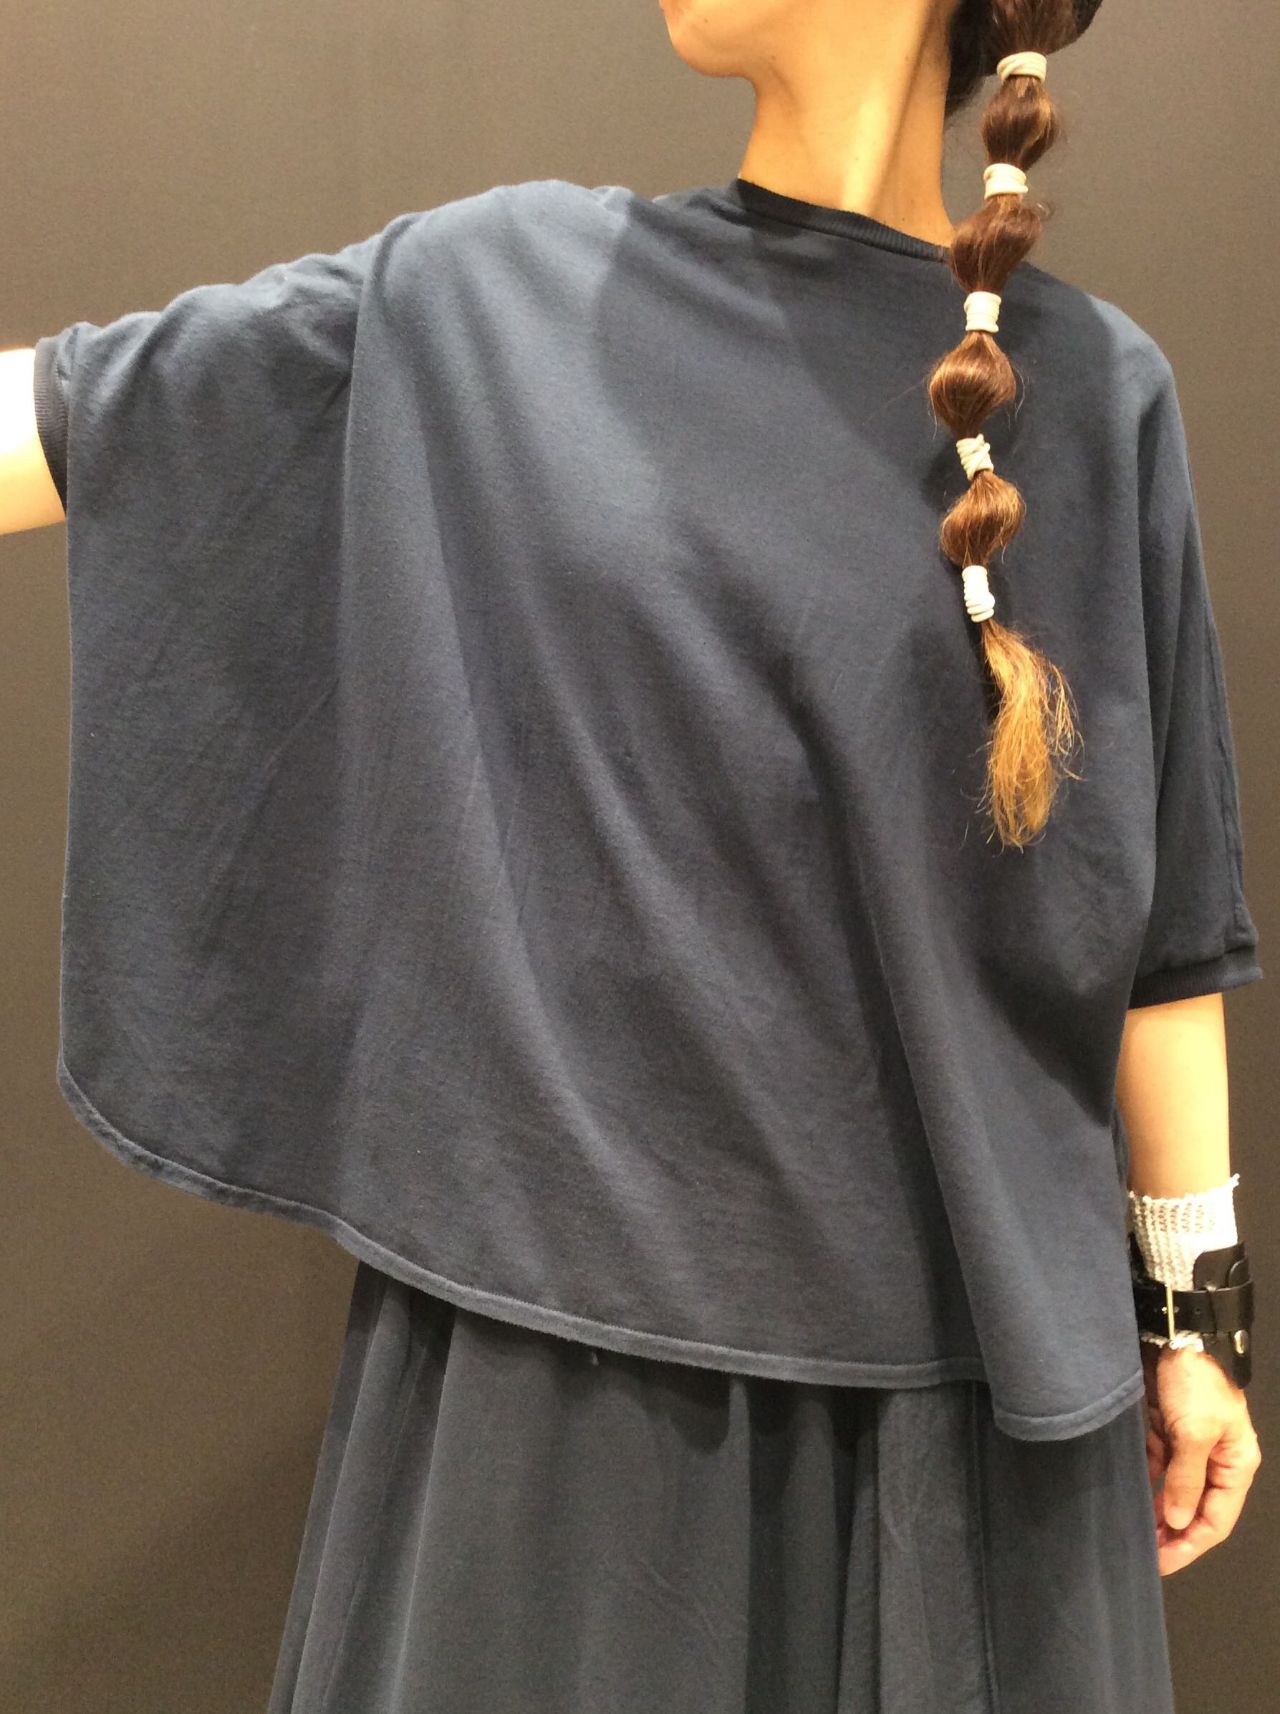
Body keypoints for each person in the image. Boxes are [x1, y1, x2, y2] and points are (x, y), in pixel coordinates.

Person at [0, 0, 1265, 1709]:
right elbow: (70, 421)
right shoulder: (489, 302)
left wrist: (1199, 1319)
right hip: (556, 1416)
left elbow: (1162, 914)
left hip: (970, 1440)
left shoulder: (1097, 397)